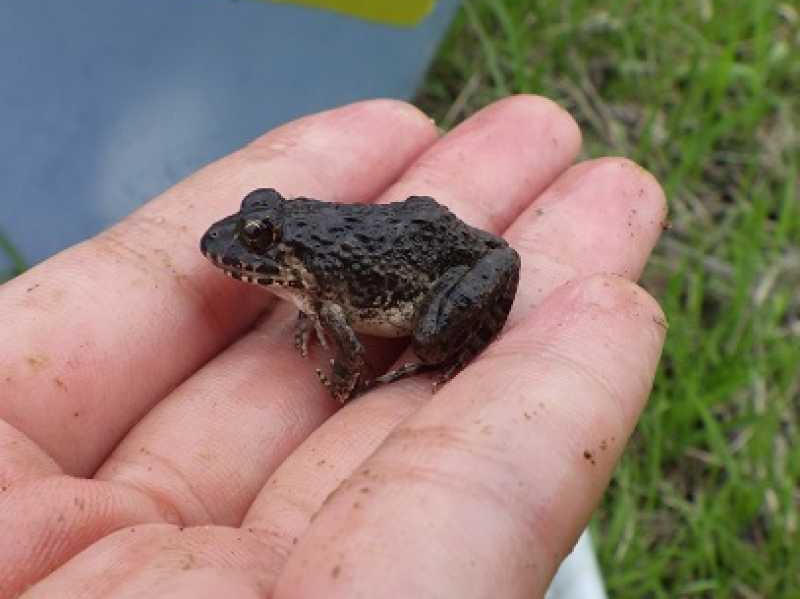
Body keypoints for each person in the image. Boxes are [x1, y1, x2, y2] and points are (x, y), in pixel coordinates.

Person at [0, 97, 667, 598]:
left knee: (432, 334)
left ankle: (446, 354)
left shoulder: (323, 289)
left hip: (448, 264)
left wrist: (348, 383)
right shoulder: (308, 284)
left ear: (284, 248)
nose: (234, 245)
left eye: (257, 238)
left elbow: (347, 337)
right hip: (423, 232)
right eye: (252, 229)